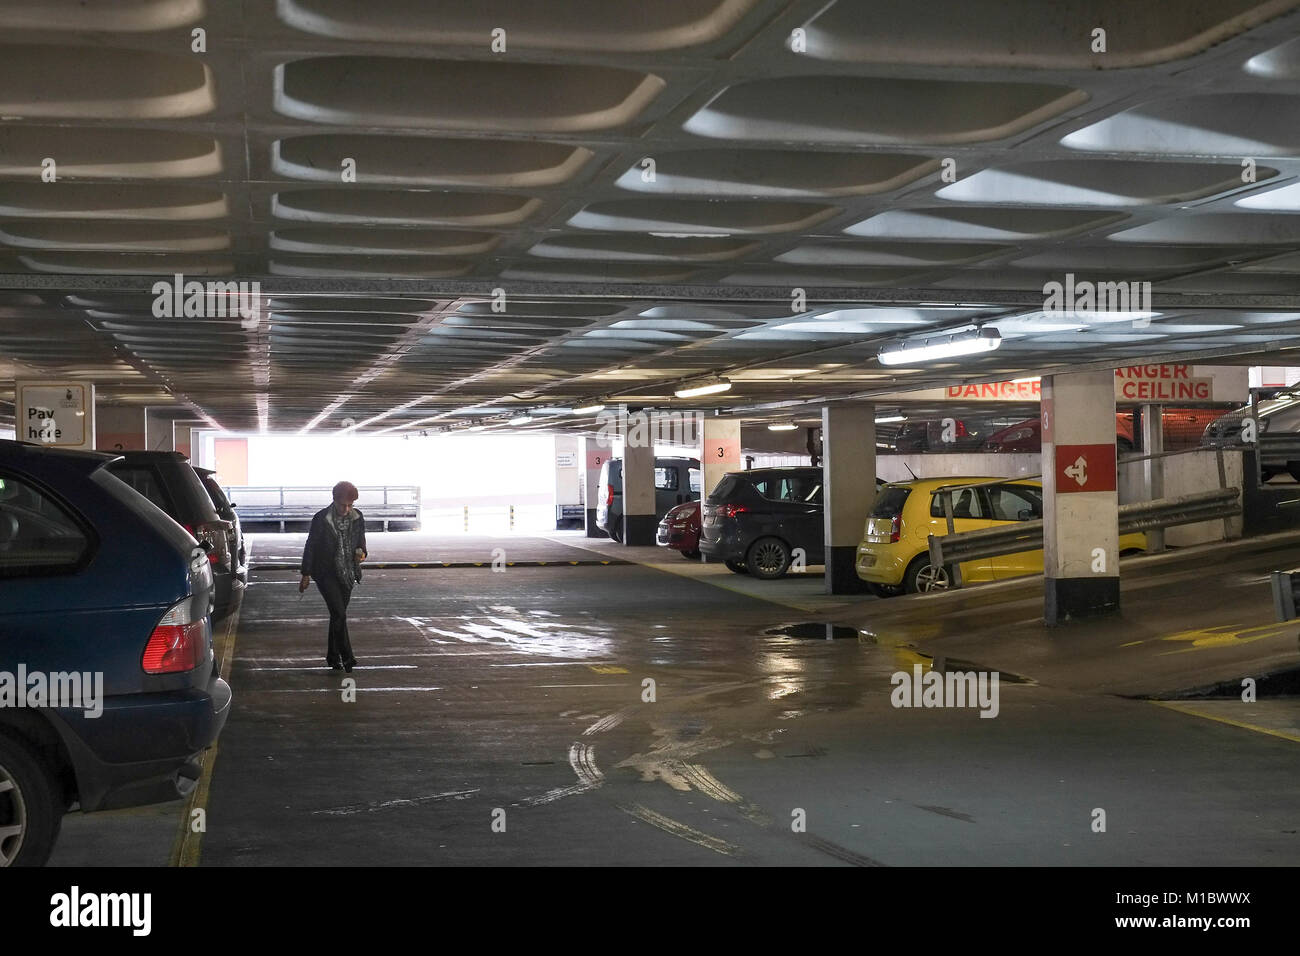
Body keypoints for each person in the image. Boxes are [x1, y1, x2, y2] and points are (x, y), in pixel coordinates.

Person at [299, 481, 368, 672]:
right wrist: (306, 573)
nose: (346, 509)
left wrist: (362, 553)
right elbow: (311, 545)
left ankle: (332, 657)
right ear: (334, 500)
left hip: (348, 572)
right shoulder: (321, 518)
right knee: (339, 613)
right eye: (343, 505)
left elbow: (361, 541)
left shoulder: (358, 517)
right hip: (325, 572)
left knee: (338, 616)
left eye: (350, 505)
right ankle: (347, 657)